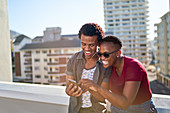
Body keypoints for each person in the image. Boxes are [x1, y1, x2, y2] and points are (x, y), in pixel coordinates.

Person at [79, 36, 158, 113]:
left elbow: (125, 103)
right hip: (117, 109)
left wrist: (97, 87)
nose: (102, 58)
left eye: (106, 54)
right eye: (100, 54)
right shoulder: (108, 67)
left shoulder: (134, 67)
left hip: (140, 110)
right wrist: (89, 88)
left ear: (118, 53)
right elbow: (101, 95)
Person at [65, 23, 112, 113]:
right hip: (75, 110)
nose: (87, 48)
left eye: (91, 45)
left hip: (97, 110)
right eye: (83, 44)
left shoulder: (105, 64)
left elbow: (104, 95)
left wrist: (91, 87)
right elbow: (68, 85)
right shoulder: (73, 60)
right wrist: (69, 91)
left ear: (98, 44)